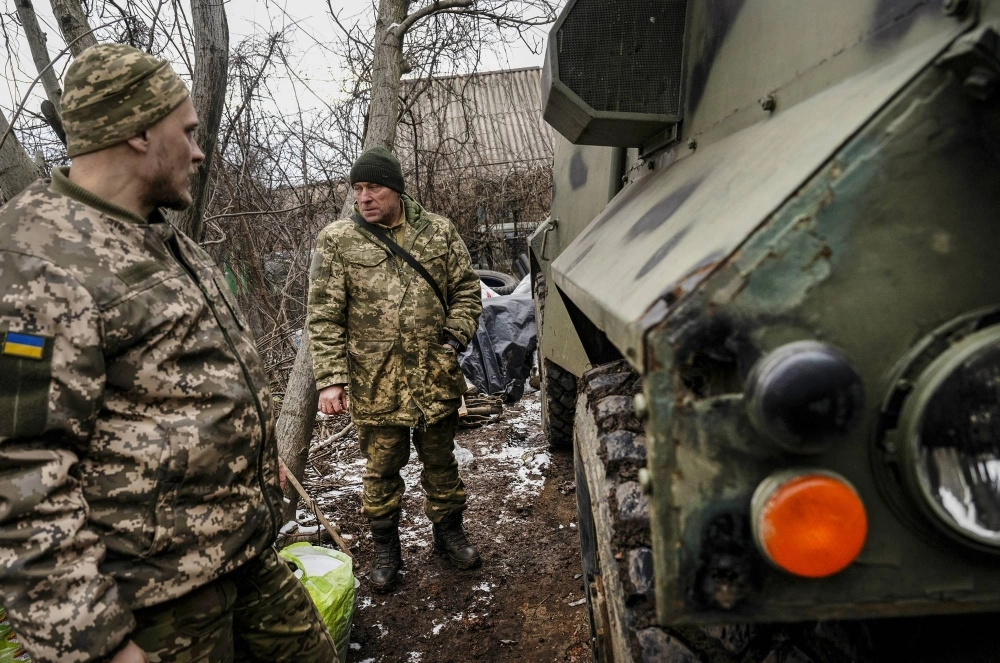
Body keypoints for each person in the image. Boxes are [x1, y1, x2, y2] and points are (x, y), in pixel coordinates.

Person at [0, 44, 338, 663]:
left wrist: (252, 454)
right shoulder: (35, 263)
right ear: (136, 132)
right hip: (154, 603)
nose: (200, 150)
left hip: (240, 557)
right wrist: (97, 648)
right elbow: (21, 477)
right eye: (187, 132)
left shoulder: (150, 233)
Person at [308, 147, 483, 591]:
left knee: (441, 463)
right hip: (375, 381)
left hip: (434, 375)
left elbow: (466, 289)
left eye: (373, 187)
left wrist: (453, 337)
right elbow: (324, 315)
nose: (363, 197)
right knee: (381, 469)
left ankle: (449, 533)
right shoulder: (338, 240)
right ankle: (386, 548)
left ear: (397, 189)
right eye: (357, 189)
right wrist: (330, 379)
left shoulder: (439, 232)